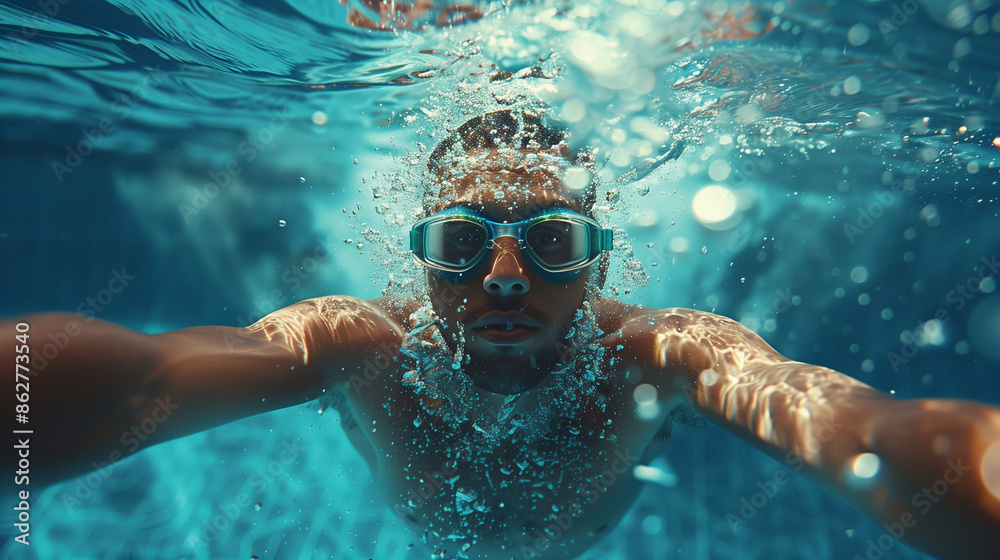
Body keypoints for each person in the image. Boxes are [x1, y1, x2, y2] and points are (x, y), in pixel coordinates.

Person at [4, 110, 1000, 560]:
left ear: (599, 262)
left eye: (553, 241)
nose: (508, 274)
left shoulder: (665, 349)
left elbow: (861, 432)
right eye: (463, 240)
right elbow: (145, 379)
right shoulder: (355, 340)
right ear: (422, 256)